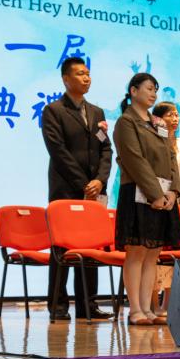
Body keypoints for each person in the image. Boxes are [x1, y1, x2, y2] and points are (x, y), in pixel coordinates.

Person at [42, 56, 113, 321]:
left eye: (88, 73)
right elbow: (57, 151)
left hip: (94, 190)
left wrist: (100, 181)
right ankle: (58, 305)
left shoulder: (97, 112)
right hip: (66, 189)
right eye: (80, 73)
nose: (86, 78)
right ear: (66, 79)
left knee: (91, 247)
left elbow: (106, 149)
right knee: (61, 249)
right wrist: (83, 183)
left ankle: (88, 305)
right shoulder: (54, 110)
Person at [113, 73, 180, 326]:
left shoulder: (158, 123)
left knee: (153, 253)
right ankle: (135, 310)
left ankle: (149, 309)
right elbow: (135, 160)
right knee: (136, 252)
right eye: (149, 88)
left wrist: (173, 191)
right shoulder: (126, 122)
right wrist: (156, 194)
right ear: (133, 91)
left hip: (163, 195)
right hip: (137, 193)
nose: (153, 93)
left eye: (155, 89)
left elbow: (171, 156)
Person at [149, 101, 180, 316]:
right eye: (169, 115)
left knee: (172, 257)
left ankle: (167, 305)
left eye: (176, 114)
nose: (174, 119)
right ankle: (153, 303)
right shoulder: (154, 141)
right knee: (155, 256)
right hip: (158, 200)